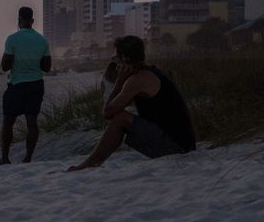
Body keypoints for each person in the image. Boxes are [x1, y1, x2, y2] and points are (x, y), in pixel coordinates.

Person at [68, 36, 196, 172]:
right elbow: (117, 106)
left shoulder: (137, 80)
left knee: (120, 119)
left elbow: (108, 112)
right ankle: (92, 162)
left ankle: (91, 163)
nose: (114, 61)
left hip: (177, 149)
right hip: (182, 145)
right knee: (121, 117)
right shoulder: (149, 73)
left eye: (115, 57)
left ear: (125, 58)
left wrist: (119, 81)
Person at [0, 6, 51, 164]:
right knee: (32, 123)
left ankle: (5, 158)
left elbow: (5, 66)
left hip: (17, 85)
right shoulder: (42, 40)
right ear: (32, 21)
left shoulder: (12, 39)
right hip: (35, 85)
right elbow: (46, 67)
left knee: (8, 122)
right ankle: (28, 158)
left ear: (19, 20)